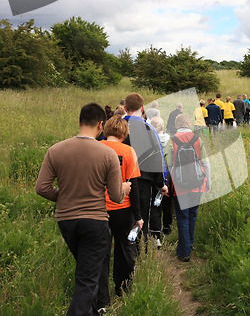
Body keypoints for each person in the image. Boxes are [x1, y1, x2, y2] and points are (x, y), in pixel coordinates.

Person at [36, 103, 131, 316]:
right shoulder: (106, 154)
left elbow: (41, 188)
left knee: (86, 271)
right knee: (88, 280)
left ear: (79, 122)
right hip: (95, 221)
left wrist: (64, 197)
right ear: (101, 125)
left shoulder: (56, 150)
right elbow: (115, 197)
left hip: (66, 221)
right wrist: (124, 188)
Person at [100, 116, 143, 301]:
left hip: (99, 208)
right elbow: (133, 185)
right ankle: (122, 288)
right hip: (122, 208)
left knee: (100, 251)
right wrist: (138, 215)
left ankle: (100, 295)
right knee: (124, 249)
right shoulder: (128, 151)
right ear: (124, 133)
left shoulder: (96, 147)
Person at [124, 93, 168, 250]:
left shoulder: (117, 127)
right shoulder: (149, 128)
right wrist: (161, 183)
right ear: (142, 108)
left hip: (121, 181)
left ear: (124, 107)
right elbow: (157, 157)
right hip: (143, 181)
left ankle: (125, 249)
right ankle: (140, 251)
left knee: (124, 217)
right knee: (142, 217)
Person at [165, 114, 210, 262]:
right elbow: (205, 163)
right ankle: (189, 243)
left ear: (177, 124)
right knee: (193, 214)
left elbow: (169, 165)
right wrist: (208, 181)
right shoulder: (197, 139)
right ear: (189, 123)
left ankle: (184, 252)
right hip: (197, 183)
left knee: (182, 217)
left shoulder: (171, 140)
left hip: (180, 185)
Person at [149, 116, 174, 238]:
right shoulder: (169, 139)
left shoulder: (151, 139)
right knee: (167, 201)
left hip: (154, 171)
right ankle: (167, 226)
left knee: (155, 200)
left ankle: (154, 229)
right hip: (168, 171)